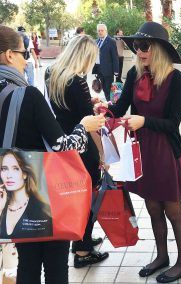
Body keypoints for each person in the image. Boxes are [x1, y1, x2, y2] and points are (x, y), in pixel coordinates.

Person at [0, 24, 105, 284]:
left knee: (27, 264)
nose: (27, 60)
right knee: (56, 266)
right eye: (24, 54)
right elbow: (62, 146)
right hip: (42, 189)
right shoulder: (27, 94)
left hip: (10, 192)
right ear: (9, 55)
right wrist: (84, 126)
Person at [95, 21, 181, 283]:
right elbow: (122, 104)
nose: (139, 51)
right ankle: (162, 257)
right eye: (136, 45)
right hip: (141, 151)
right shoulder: (135, 75)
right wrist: (105, 112)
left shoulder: (176, 79)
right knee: (152, 208)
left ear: (158, 48)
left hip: (166, 152)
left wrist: (144, 121)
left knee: (173, 210)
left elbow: (173, 123)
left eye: (144, 45)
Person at [46, 34, 109, 268]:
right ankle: (82, 251)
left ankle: (82, 238)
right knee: (89, 196)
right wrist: (104, 154)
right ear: (84, 56)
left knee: (75, 195)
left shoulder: (52, 74)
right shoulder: (77, 81)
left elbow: (66, 109)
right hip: (83, 145)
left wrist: (88, 101)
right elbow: (90, 123)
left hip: (65, 141)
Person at [0, 149, 52, 238]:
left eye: (15, 169)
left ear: (24, 174)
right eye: (4, 169)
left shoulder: (41, 210)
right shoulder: (2, 205)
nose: (8, 175)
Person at [93, 23, 119, 101]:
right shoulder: (96, 41)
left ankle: (111, 105)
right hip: (99, 69)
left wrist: (116, 71)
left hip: (108, 70)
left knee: (109, 89)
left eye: (102, 30)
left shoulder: (111, 41)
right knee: (103, 88)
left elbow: (115, 57)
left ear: (106, 31)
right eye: (99, 31)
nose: (100, 32)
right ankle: (108, 103)